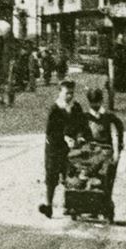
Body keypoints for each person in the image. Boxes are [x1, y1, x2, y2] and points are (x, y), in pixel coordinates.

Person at [38, 78, 89, 219]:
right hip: (55, 148)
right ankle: (48, 206)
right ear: (60, 93)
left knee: (71, 175)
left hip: (71, 149)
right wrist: (65, 138)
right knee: (51, 176)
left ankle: (71, 205)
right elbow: (50, 131)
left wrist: (80, 137)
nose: (69, 96)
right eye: (67, 93)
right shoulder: (55, 109)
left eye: (71, 93)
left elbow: (83, 126)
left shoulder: (76, 108)